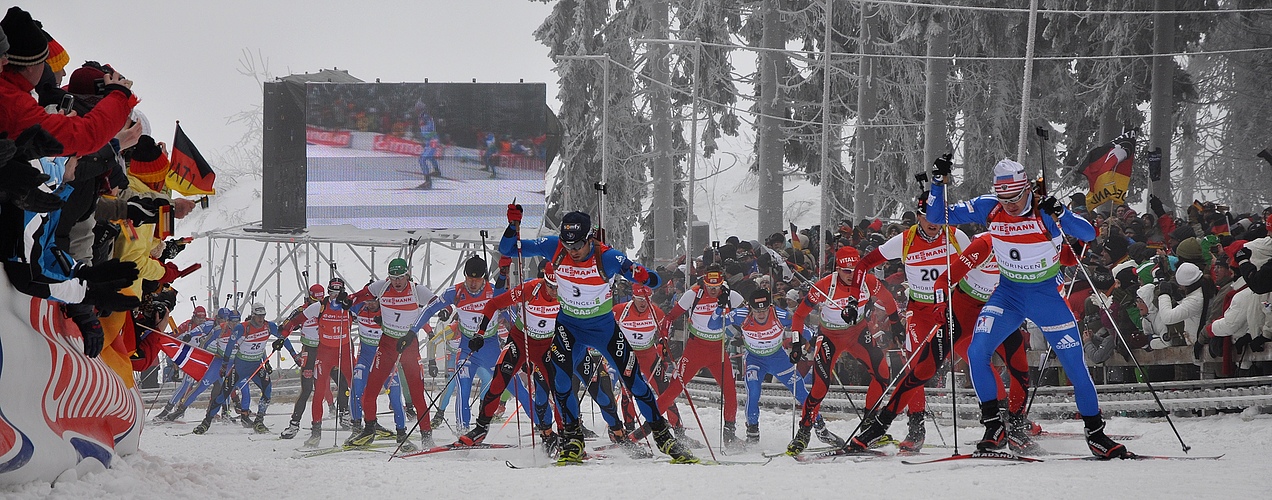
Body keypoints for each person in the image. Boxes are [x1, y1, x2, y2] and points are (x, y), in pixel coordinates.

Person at [926, 156, 1129, 458]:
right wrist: (937, 183)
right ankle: (994, 426)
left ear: (1027, 190)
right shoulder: (990, 205)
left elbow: (1089, 235)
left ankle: (1096, 433)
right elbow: (938, 215)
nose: (1008, 204)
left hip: (1045, 297)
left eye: (1015, 197)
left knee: (1075, 365)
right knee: (976, 352)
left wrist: (1062, 213)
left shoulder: (1043, 209)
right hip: (1008, 294)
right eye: (1003, 197)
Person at [499, 207, 696, 463]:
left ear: (590, 238)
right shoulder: (554, 247)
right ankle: (572, 439)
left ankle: (664, 437)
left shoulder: (608, 257)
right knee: (560, 382)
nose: (573, 250)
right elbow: (508, 249)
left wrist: (649, 276)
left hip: (604, 330)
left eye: (578, 244)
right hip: (569, 328)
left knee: (634, 382)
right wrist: (513, 224)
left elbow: (652, 281)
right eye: (568, 244)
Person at [842, 197, 970, 452]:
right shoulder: (906, 240)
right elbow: (864, 264)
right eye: (927, 216)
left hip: (955, 307)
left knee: (979, 357)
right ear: (919, 216)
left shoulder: (957, 237)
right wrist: (854, 299)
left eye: (938, 217)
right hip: (921, 311)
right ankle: (916, 427)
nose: (934, 223)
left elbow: (981, 262)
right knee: (916, 367)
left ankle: (1011, 420)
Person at [784, 246, 901, 455]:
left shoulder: (868, 282)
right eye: (846, 270)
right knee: (820, 386)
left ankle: (869, 425)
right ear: (837, 269)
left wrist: (896, 323)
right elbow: (799, 315)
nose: (852, 274)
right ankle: (804, 433)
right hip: (831, 336)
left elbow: (889, 300)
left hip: (858, 333)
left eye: (855, 269)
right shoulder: (824, 286)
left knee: (883, 374)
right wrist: (795, 343)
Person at [455, 263, 560, 452]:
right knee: (497, 383)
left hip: (546, 347)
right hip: (520, 341)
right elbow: (493, 304)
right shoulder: (530, 288)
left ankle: (560, 433)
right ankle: (480, 429)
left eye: (557, 287)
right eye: (550, 285)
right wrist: (480, 333)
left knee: (558, 389)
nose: (553, 291)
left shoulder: (568, 294)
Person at [724, 289, 839, 446]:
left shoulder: (780, 315)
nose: (762, 314)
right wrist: (720, 308)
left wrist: (818, 341)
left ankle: (821, 428)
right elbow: (717, 322)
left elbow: (803, 328)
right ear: (750, 308)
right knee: (753, 393)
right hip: (755, 360)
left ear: (770, 306)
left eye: (765, 310)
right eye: (757, 311)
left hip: (778, 359)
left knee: (801, 392)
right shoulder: (740, 315)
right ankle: (752, 434)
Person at [648, 263, 745, 447]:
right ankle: (647, 428)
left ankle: (729, 436)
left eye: (717, 287)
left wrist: (740, 333)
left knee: (731, 393)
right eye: (710, 286)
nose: (714, 290)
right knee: (673, 391)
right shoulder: (694, 294)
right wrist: (663, 340)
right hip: (695, 350)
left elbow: (750, 316)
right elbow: (670, 317)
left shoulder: (731, 296)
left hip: (718, 352)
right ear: (704, 282)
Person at [343, 259, 437, 448]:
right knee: (370, 390)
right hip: (387, 345)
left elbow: (438, 303)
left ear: (407, 275)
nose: (397, 282)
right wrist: (347, 300)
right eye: (393, 278)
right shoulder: (382, 286)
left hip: (409, 346)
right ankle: (369, 428)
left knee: (417, 394)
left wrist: (444, 312)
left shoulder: (417, 290)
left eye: (400, 277)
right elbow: (360, 296)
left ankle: (426, 435)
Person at [411, 255, 506, 432]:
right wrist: (431, 361)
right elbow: (434, 341)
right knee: (452, 387)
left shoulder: (487, 313)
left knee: (489, 382)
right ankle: (441, 416)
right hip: (458, 358)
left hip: (480, 355)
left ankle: (483, 414)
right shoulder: (453, 327)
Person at [193, 303, 296, 434]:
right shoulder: (242, 328)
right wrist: (224, 364)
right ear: (253, 315)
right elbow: (230, 346)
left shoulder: (269, 326)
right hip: (240, 367)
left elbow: (283, 337)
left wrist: (294, 355)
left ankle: (259, 421)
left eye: (263, 316)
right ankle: (206, 423)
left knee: (268, 390)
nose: (261, 319)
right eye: (258, 316)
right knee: (222, 395)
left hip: (256, 366)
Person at [279, 277, 356, 447]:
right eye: (331, 292)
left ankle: (355, 423)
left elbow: (369, 308)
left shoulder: (348, 305)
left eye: (338, 292)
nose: (334, 296)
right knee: (312, 389)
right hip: (316, 351)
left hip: (341, 350)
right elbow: (292, 321)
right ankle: (306, 428)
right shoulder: (316, 307)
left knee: (351, 384)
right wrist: (283, 335)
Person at [614, 283, 693, 444]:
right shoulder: (620, 310)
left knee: (665, 391)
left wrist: (663, 345)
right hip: (628, 355)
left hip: (649, 355)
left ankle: (678, 431)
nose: (643, 303)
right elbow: (606, 327)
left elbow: (664, 332)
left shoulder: (656, 312)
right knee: (627, 391)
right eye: (640, 299)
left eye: (647, 299)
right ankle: (630, 430)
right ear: (633, 297)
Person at [345, 297, 414, 452]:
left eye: (372, 302)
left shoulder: (387, 311)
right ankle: (358, 429)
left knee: (395, 396)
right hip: (366, 359)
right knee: (356, 389)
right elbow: (341, 306)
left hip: (385, 360)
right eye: (367, 301)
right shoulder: (360, 308)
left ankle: (402, 433)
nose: (369, 304)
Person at [279, 284, 326, 439]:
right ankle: (294, 424)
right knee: (306, 389)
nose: (317, 304)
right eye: (314, 300)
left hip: (326, 351)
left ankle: (347, 416)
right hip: (309, 351)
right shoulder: (302, 310)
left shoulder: (326, 308)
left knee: (341, 380)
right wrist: (283, 335)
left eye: (320, 300)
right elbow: (288, 324)